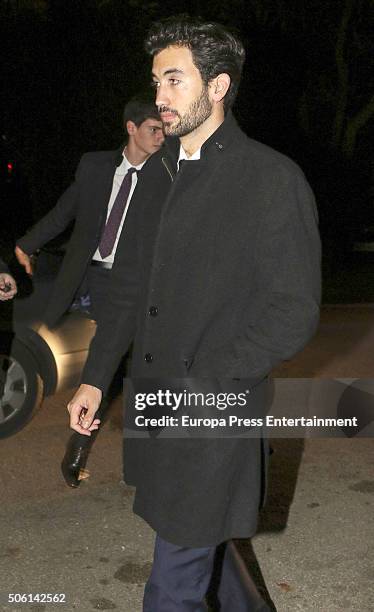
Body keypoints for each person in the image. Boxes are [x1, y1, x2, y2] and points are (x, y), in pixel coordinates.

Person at [67, 16, 321, 611]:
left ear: (218, 86)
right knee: (196, 537)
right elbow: (128, 290)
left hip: (212, 407)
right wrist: (95, 378)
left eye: (175, 81)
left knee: (174, 578)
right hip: (158, 407)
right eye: (157, 82)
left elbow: (293, 312)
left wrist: (209, 375)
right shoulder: (156, 177)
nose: (160, 97)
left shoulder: (270, 180)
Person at [15, 99, 164, 487]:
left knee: (134, 359)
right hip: (96, 277)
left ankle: (140, 447)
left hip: (139, 283)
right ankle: (81, 443)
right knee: (107, 355)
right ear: (131, 128)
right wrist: (26, 244)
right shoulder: (96, 166)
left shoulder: (166, 175)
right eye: (153, 128)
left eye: (164, 129)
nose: (160, 136)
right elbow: (64, 212)